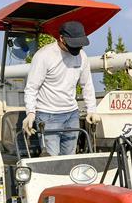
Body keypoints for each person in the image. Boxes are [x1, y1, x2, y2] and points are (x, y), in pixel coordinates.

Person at [23, 21, 99, 156]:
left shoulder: (82, 56)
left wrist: (92, 110)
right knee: (52, 160)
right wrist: (30, 113)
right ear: (61, 38)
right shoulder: (44, 56)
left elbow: (87, 85)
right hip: (47, 115)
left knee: (70, 158)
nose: (77, 48)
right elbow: (31, 88)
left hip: (72, 114)